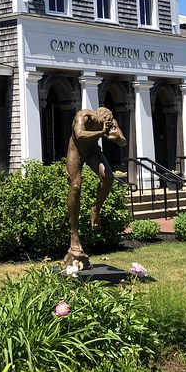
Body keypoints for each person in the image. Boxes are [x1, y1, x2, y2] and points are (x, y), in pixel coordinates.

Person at [64, 106, 127, 267]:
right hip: (76, 151)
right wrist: (101, 133)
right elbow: (79, 134)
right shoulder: (83, 116)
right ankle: (74, 234)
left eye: (106, 124)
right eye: (101, 124)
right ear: (95, 118)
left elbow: (122, 140)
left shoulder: (109, 122)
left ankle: (96, 208)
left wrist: (115, 138)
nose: (103, 125)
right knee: (76, 186)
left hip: (92, 151)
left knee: (108, 177)